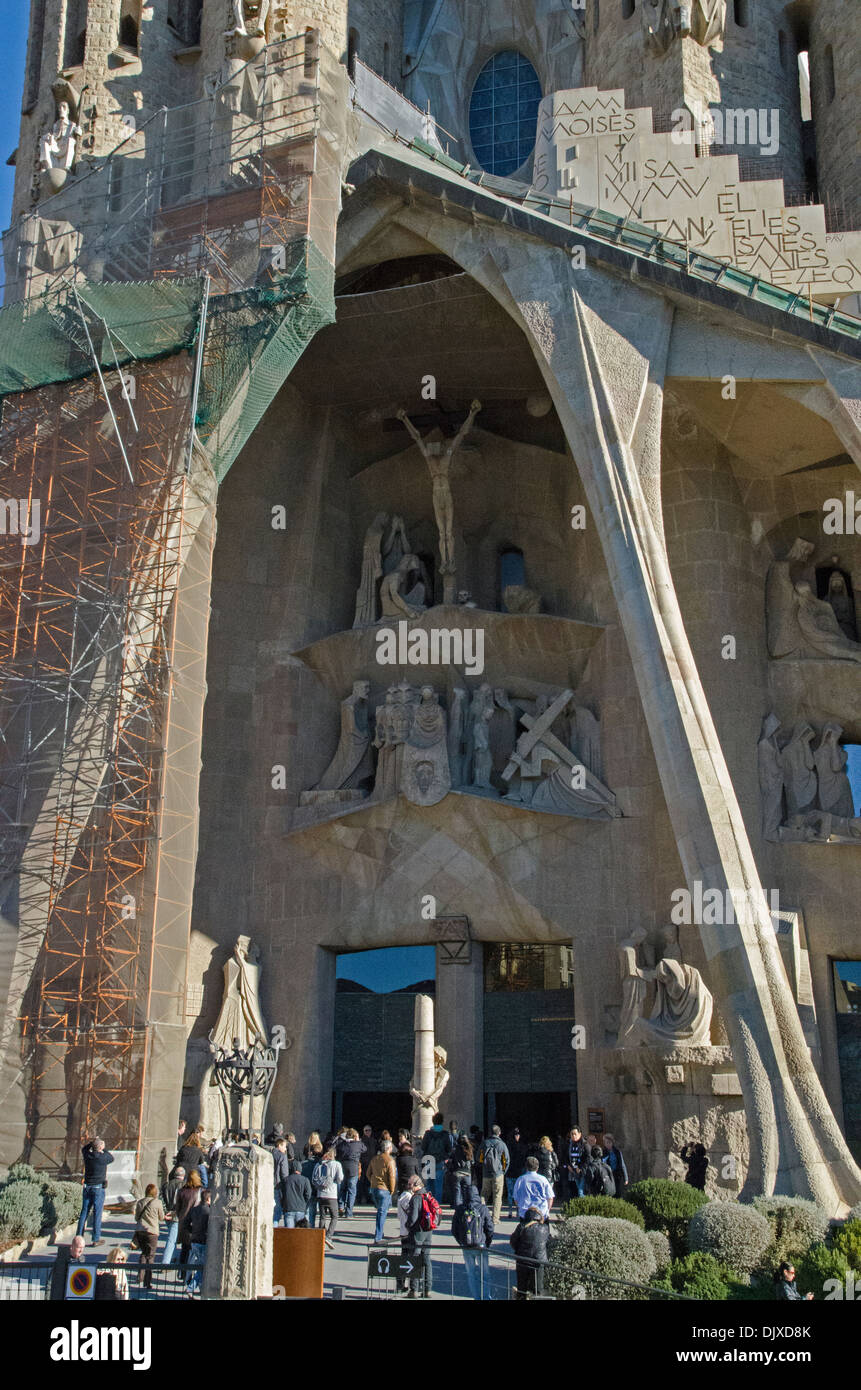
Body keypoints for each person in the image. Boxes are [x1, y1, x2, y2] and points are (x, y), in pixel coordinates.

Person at [452, 1183, 494, 1300]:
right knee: (485, 1274)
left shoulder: (460, 1209)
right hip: (481, 1245)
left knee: (471, 1274)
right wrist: (487, 1242)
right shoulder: (482, 1208)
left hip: (466, 1245)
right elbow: (489, 1228)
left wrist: (461, 1242)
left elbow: (454, 1229)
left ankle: (476, 1297)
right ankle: (486, 1296)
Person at [402, 1174, 437, 1299]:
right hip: (428, 1231)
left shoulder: (416, 1198)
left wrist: (407, 1225)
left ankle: (414, 1290)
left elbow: (413, 1218)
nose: (409, 1187)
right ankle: (427, 1289)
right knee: (427, 1260)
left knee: (414, 1260)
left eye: (410, 1184)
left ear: (417, 1184)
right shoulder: (428, 1195)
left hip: (417, 1232)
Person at [77, 1136, 114, 1246]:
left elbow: (84, 1149)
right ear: (101, 1147)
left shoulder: (88, 1155)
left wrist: (92, 1143)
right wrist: (102, 1148)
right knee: (97, 1213)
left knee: (84, 1212)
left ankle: (79, 1236)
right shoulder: (103, 1158)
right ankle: (95, 1239)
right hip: (98, 1188)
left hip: (87, 1186)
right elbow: (111, 1157)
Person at [510, 1205, 554, 1298]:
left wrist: (518, 1251)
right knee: (537, 1290)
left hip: (523, 1260)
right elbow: (549, 1243)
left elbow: (513, 1241)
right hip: (538, 1262)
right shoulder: (545, 1228)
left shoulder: (521, 1226)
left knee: (522, 1289)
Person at [133, 1183, 165, 1290]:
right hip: (152, 1232)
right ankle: (147, 1281)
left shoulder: (140, 1202)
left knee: (143, 1253)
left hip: (140, 1230)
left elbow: (137, 1217)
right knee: (150, 1256)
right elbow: (161, 1217)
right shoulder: (158, 1203)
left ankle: (140, 1276)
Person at [312, 1148, 343, 1249]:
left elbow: (313, 1179)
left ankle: (321, 1237)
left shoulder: (318, 1164)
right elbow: (340, 1178)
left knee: (322, 1217)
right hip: (331, 1195)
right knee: (334, 1216)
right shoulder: (336, 1164)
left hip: (320, 1194)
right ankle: (328, 1236)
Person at [367, 1139, 397, 1243]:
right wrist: (392, 1189)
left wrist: (373, 1181)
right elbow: (392, 1177)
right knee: (382, 1212)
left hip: (374, 1187)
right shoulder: (390, 1160)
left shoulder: (375, 1159)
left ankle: (378, 1232)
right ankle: (378, 1236)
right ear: (389, 1148)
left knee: (380, 1211)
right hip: (384, 1189)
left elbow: (368, 1173)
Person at [479, 1125, 510, 1224]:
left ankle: (481, 1215)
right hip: (498, 1174)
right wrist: (502, 1171)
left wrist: (483, 1168)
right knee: (497, 1196)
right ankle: (495, 1218)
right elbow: (506, 1160)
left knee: (484, 1195)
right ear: (499, 1133)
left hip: (486, 1174)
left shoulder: (485, 1143)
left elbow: (479, 1158)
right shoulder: (502, 1144)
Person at [421, 1113, 453, 1204]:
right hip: (440, 1161)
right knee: (439, 1185)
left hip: (429, 1160)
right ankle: (436, 1205)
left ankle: (429, 1204)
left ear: (433, 1121)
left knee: (430, 1185)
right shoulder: (445, 1134)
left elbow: (423, 1147)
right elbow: (449, 1149)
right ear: (442, 1121)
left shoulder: (428, 1133)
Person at [512, 1156, 555, 1221]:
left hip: (525, 1213)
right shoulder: (543, 1179)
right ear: (537, 1167)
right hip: (541, 1213)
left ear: (526, 1167)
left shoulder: (520, 1180)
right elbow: (550, 1198)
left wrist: (520, 1208)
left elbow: (515, 1198)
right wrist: (547, 1210)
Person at [176, 1170, 203, 1272]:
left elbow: (177, 1208)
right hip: (195, 1223)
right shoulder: (199, 1191)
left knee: (184, 1248)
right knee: (194, 1249)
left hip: (183, 1222)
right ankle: (190, 1273)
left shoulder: (181, 1191)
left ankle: (182, 1272)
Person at [185, 1190, 211, 1295]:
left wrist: (193, 1231)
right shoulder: (209, 1211)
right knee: (202, 1267)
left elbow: (186, 1224)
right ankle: (191, 1288)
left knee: (200, 1265)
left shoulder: (194, 1210)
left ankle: (201, 1288)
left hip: (194, 1240)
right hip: (204, 1241)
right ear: (209, 1199)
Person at [160, 1165, 186, 1264]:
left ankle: (173, 1257)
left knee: (172, 1236)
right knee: (171, 1240)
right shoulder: (183, 1185)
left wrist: (166, 1212)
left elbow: (161, 1199)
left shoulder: (166, 1185)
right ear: (183, 1175)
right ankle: (165, 1263)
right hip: (176, 1215)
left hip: (167, 1214)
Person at [336, 1127, 363, 1218]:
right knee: (351, 1191)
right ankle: (349, 1212)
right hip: (353, 1170)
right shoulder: (358, 1144)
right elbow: (365, 1149)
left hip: (343, 1168)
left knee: (342, 1189)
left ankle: (340, 1206)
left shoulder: (341, 1145)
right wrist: (358, 1140)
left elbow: (337, 1151)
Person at [561, 1126, 590, 1200]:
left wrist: (580, 1167)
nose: (573, 1136)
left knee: (581, 1191)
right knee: (577, 1190)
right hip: (573, 1172)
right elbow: (565, 1157)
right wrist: (568, 1165)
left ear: (580, 1134)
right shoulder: (569, 1145)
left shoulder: (585, 1145)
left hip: (583, 1171)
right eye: (572, 1134)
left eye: (575, 1134)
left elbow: (588, 1158)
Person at [282, 1161, 312, 1228]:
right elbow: (308, 1194)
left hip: (289, 1208)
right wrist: (304, 1204)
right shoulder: (305, 1180)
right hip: (301, 1209)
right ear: (300, 1169)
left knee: (289, 1233)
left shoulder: (286, 1180)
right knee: (300, 1234)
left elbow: (282, 1194)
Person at [506, 1128, 528, 1218]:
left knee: (514, 1193)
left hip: (514, 1172)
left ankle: (516, 1210)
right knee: (513, 1193)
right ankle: (512, 1210)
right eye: (516, 1135)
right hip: (515, 1172)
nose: (517, 1137)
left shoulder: (509, 1146)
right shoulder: (520, 1146)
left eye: (518, 1135)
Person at [302, 1141, 323, 1229]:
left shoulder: (303, 1163)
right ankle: (311, 1227)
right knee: (313, 1210)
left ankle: (306, 1227)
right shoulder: (320, 1164)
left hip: (305, 1189)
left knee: (306, 1210)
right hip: (314, 1189)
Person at [449, 1133, 474, 1207]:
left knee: (457, 1191)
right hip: (467, 1173)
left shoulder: (455, 1149)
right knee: (466, 1192)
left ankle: (457, 1209)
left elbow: (451, 1159)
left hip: (457, 1172)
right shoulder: (470, 1148)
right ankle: (466, 1207)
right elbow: (472, 1162)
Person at [272, 1136, 292, 1226]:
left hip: (269, 1184)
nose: (285, 1149)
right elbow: (284, 1173)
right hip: (278, 1184)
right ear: (279, 1145)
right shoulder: (282, 1156)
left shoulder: (270, 1154)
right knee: (278, 1209)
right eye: (284, 1146)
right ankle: (274, 1228)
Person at [602, 1133, 629, 1198]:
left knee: (617, 1192)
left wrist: (626, 1178)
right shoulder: (603, 1152)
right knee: (609, 1192)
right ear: (604, 1143)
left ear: (612, 1143)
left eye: (609, 1142)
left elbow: (622, 1165)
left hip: (616, 1175)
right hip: (607, 1176)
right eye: (606, 1142)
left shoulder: (617, 1152)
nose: (608, 1144)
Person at [358, 1125, 376, 1205]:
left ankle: (369, 1198)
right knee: (362, 1181)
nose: (368, 1132)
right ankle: (361, 1198)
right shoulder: (361, 1141)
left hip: (371, 1163)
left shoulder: (373, 1141)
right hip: (363, 1164)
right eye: (366, 1130)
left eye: (369, 1130)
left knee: (370, 1181)